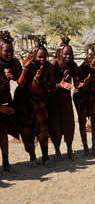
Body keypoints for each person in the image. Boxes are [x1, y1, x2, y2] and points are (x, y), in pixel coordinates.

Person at [14, 37, 56, 167]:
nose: (42, 60)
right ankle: (32, 157)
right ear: (34, 56)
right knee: (27, 131)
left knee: (43, 130)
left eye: (45, 57)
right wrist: (25, 69)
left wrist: (42, 81)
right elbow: (21, 84)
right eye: (39, 57)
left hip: (40, 101)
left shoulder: (49, 67)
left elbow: (52, 85)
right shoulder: (28, 65)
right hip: (24, 101)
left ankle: (45, 157)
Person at [48, 37, 77, 160]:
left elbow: (78, 80)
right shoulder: (53, 64)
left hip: (65, 99)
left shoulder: (73, 65)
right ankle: (57, 151)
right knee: (56, 124)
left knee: (69, 123)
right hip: (54, 99)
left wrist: (80, 86)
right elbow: (48, 85)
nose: (68, 57)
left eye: (70, 54)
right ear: (60, 54)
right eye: (65, 54)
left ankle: (70, 149)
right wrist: (60, 85)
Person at [73, 49, 95, 157]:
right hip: (81, 97)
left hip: (92, 96)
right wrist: (83, 84)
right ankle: (85, 147)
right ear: (88, 62)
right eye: (93, 65)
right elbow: (76, 85)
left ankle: (94, 148)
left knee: (94, 120)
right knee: (82, 121)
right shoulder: (80, 70)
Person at [0, 31, 21, 173]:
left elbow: (21, 80)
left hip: (5, 100)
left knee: (3, 132)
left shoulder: (13, 62)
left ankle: (6, 163)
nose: (9, 53)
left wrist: (25, 67)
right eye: (6, 51)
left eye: (11, 50)